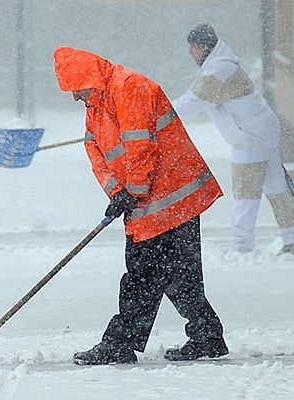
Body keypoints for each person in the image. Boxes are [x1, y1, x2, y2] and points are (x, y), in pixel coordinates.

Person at [53, 46, 228, 365]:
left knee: (142, 274)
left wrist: (131, 191)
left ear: (88, 78)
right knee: (179, 274)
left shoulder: (128, 87)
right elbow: (94, 150)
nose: (75, 97)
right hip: (150, 199)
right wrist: (116, 192)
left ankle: (120, 343)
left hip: (170, 194)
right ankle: (207, 337)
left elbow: (141, 147)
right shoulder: (97, 102)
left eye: (75, 89)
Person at [172, 24, 294, 257]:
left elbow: (192, 101)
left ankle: (241, 247)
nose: (190, 52)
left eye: (192, 47)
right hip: (262, 131)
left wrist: (157, 113)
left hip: (251, 138)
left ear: (203, 47)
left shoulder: (219, 69)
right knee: (276, 189)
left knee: (246, 193)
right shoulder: (221, 64)